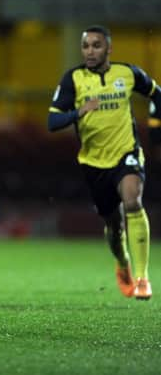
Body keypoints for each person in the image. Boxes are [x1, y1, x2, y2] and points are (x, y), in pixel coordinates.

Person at [48, 25, 161, 300]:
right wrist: (79, 111)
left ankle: (144, 278)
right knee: (114, 225)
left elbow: (157, 94)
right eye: (86, 46)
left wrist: (155, 127)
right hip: (94, 163)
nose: (90, 51)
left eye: (96, 45)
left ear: (108, 48)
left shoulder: (128, 73)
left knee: (133, 200)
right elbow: (52, 121)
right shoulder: (73, 79)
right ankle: (123, 263)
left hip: (127, 152)